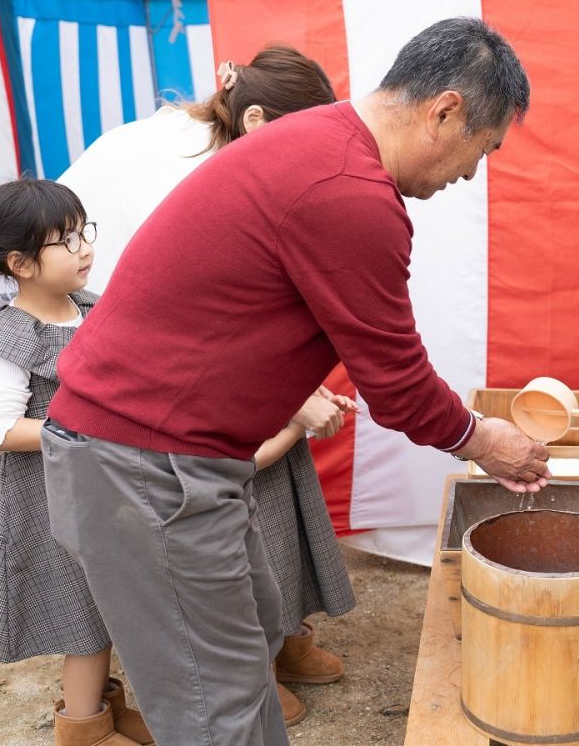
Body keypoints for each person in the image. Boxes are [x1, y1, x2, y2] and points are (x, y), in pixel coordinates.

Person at [39, 17, 549, 746]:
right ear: (447, 111)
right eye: (482, 150)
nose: (471, 173)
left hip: (160, 453)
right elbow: (396, 380)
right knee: (214, 708)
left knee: (237, 669)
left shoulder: (318, 141)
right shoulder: (350, 190)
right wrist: (479, 439)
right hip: (147, 464)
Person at [57, 43, 356, 727]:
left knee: (271, 511)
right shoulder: (184, 166)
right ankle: (236, 675)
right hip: (121, 370)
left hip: (196, 369)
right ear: (256, 120)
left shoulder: (243, 154)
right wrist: (290, 394)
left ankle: (276, 642)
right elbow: (175, 312)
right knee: (197, 539)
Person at [0, 180, 146, 745]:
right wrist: (93, 429)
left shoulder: (91, 307)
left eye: (82, 232)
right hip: (48, 497)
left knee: (111, 601)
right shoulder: (6, 338)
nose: (84, 248)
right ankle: (83, 731)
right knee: (83, 618)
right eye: (65, 241)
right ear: (20, 263)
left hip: (102, 485)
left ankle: (105, 709)